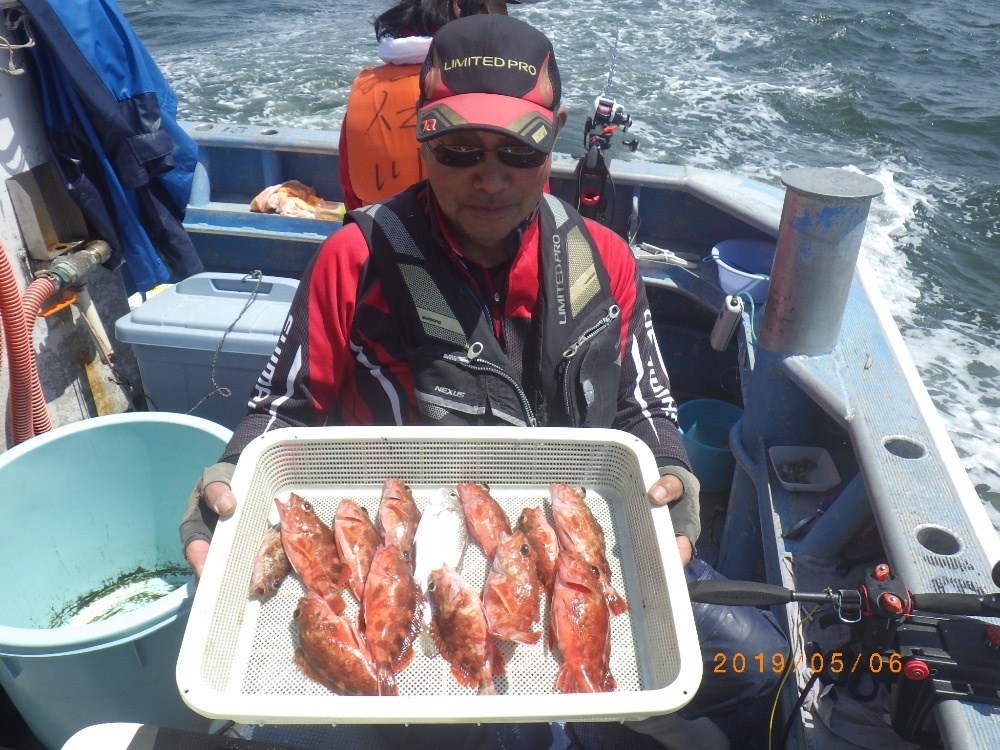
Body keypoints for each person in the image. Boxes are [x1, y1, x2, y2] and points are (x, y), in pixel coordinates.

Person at [182, 14, 785, 750]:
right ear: (422, 138)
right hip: (423, 562)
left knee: (766, 667)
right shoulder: (352, 260)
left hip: (581, 544)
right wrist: (226, 481)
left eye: (519, 149)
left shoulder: (606, 261)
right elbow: (281, 409)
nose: (490, 179)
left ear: (555, 134)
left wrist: (672, 469)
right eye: (460, 150)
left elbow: (645, 404)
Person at [340, 0, 540, 210]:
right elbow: (531, 197)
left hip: (377, 235)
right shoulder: (497, 90)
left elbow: (351, 194)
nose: (506, 20)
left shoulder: (366, 89)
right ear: (460, 6)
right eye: (500, 7)